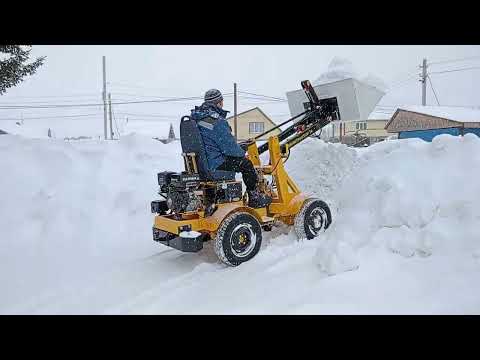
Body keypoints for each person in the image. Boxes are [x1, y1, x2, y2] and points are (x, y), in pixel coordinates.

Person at [190, 88, 272, 208]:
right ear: (219, 102)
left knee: (240, 160)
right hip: (216, 164)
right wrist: (242, 150)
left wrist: (239, 146)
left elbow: (214, 143)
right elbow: (230, 150)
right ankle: (255, 198)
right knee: (247, 165)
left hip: (203, 163)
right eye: (222, 101)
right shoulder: (215, 121)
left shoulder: (198, 119)